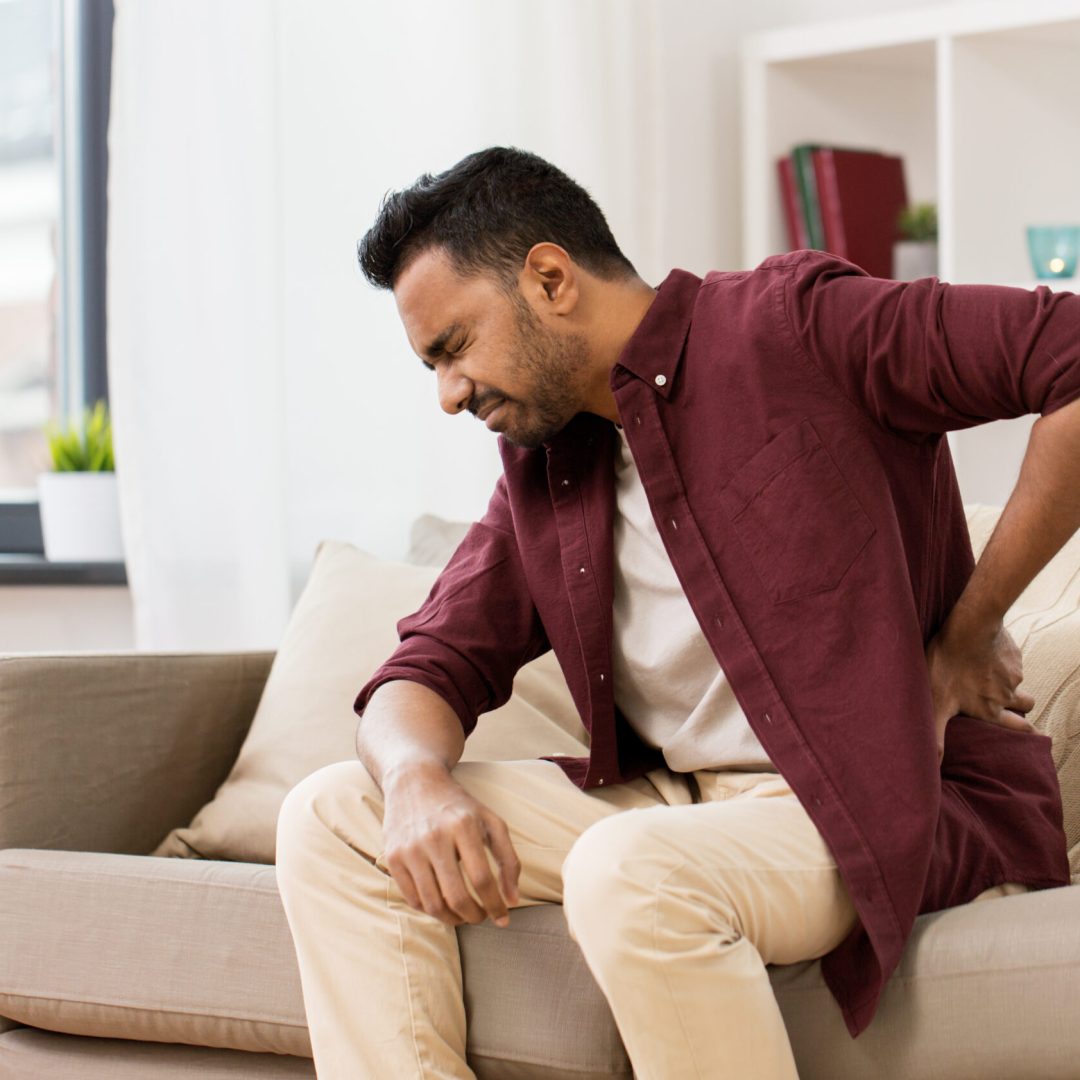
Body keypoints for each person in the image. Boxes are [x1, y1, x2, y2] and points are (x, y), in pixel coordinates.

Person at [274, 146, 1079, 1079]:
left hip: (883, 791)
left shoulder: (798, 326)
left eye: (453, 348)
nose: (449, 396)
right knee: (332, 814)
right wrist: (414, 781)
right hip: (685, 807)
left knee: (629, 872)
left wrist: (969, 629)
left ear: (549, 278)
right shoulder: (547, 469)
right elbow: (422, 670)